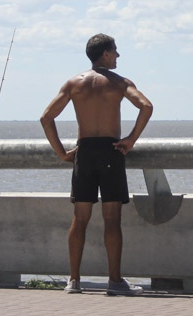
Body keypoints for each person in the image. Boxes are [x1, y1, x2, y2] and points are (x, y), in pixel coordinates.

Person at [40, 33, 153, 296]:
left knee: (80, 219)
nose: (118, 56)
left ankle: (74, 280)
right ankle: (114, 281)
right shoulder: (119, 82)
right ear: (104, 54)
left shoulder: (74, 83)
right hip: (111, 151)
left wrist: (61, 153)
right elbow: (146, 106)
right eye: (115, 51)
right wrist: (131, 140)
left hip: (85, 151)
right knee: (112, 220)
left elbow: (46, 117)